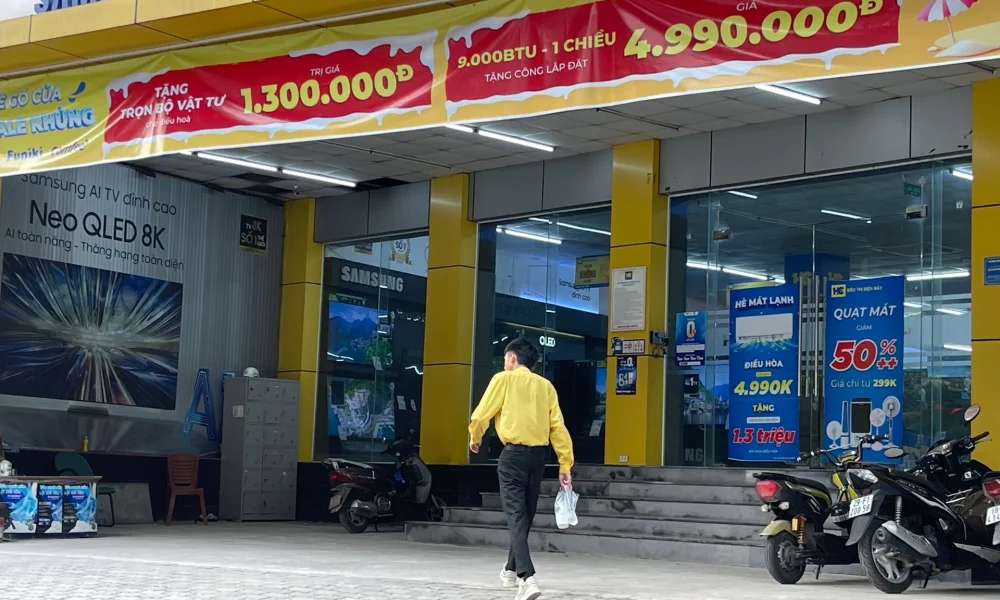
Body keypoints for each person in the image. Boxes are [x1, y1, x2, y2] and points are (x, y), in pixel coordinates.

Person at [469, 337, 574, 600]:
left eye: (505, 359)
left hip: (512, 456)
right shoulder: (545, 386)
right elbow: (558, 427)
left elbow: (482, 414)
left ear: (512, 358)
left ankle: (526, 578)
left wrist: (475, 436)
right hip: (538, 458)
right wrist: (565, 463)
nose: (504, 363)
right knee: (525, 515)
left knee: (517, 516)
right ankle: (509, 569)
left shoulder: (503, 379)